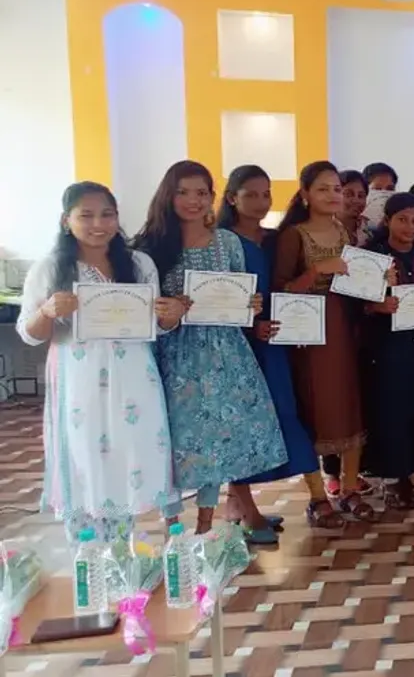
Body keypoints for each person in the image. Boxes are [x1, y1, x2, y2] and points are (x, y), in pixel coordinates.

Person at [19, 182, 180, 542]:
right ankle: (87, 550)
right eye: (86, 215)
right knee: (84, 453)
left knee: (128, 452)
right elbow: (29, 333)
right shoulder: (50, 268)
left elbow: (156, 326)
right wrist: (47, 311)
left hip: (133, 376)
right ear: (66, 220)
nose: (98, 224)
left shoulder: (138, 263)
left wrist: (170, 316)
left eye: (107, 214)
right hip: (80, 378)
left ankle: (120, 546)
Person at [132, 160, 286, 534]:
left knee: (218, 438)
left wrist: (250, 306)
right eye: (183, 192)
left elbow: (238, 293)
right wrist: (169, 310)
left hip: (224, 353)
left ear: (212, 197)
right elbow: (140, 308)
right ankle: (173, 528)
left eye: (201, 193)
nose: (193, 200)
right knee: (174, 439)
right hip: (173, 356)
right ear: (167, 195)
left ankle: (206, 528)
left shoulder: (227, 242)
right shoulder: (147, 248)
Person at [216, 165, 322, 544]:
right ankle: (247, 512)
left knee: (279, 415)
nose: (261, 202)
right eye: (251, 194)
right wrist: (250, 326)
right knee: (241, 423)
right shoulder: (221, 242)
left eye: (266, 194)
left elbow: (286, 286)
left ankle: (237, 505)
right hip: (238, 346)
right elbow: (218, 297)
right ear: (232, 198)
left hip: (276, 342)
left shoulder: (275, 239)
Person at [273, 160, 373, 525]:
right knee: (315, 409)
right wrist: (317, 270)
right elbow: (279, 290)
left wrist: (379, 280)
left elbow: (353, 282)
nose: (333, 195)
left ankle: (349, 489)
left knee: (350, 405)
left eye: (337, 189)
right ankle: (318, 497)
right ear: (305, 194)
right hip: (309, 334)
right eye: (323, 189)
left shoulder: (342, 230)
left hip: (345, 327)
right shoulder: (294, 235)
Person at [360, 193, 414, 510]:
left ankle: (412, 475)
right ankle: (393, 479)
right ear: (387, 221)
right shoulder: (372, 257)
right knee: (392, 411)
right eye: (402, 220)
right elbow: (355, 304)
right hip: (387, 345)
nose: (410, 227)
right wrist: (376, 306)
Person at [339, 170, 369, 246]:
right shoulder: (320, 228)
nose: (356, 200)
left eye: (361, 196)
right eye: (349, 194)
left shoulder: (368, 228)